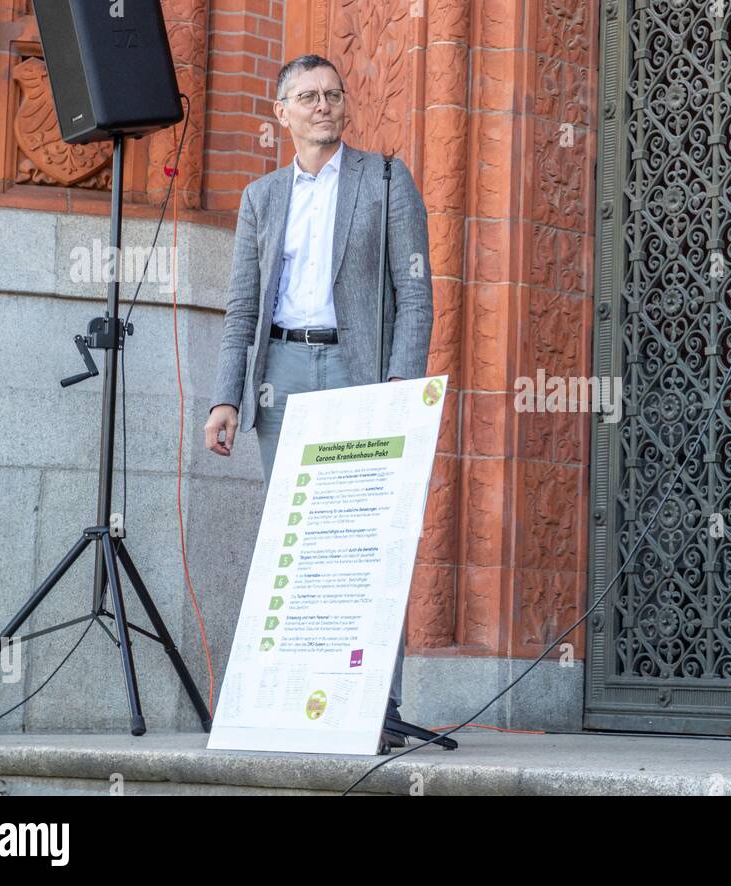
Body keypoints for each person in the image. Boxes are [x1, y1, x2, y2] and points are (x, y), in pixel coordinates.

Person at [203, 54, 434, 751]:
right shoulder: (261, 198)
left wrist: (401, 383)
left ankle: (377, 711)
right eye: (307, 96)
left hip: (357, 370)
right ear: (281, 112)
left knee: (367, 541)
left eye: (333, 94)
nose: (324, 106)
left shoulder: (385, 180)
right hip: (281, 373)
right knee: (297, 544)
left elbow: (416, 291)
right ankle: (302, 704)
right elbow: (243, 305)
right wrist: (225, 399)